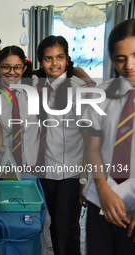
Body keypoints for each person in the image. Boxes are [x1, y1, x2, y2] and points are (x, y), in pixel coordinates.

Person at [83, 18, 135, 254]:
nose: (129, 66)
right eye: (121, 59)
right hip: (100, 198)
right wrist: (103, 189)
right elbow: (93, 147)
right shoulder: (102, 95)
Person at [34, 35, 87, 255]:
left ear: (67, 59)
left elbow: (89, 137)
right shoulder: (36, 86)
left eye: (60, 57)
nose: (54, 63)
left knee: (68, 228)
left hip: (70, 172)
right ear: (41, 62)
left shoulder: (80, 89)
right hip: (45, 169)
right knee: (54, 224)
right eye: (48, 58)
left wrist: (85, 179)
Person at [0, 46, 38, 170]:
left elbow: (68, 69)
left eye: (17, 67)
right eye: (6, 67)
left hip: (32, 158)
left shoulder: (35, 84)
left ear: (24, 68)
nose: (11, 72)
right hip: (5, 157)